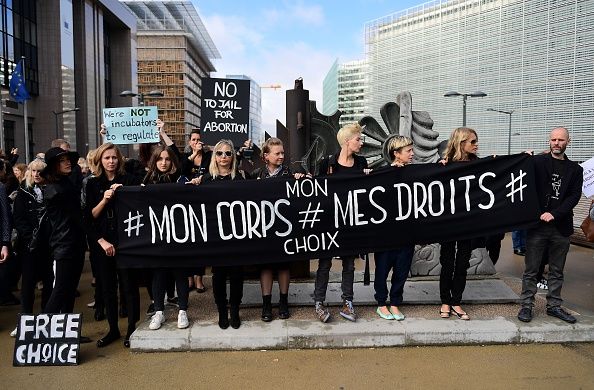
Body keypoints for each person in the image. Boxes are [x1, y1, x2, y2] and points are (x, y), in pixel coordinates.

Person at [518, 127, 583, 324]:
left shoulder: (575, 169)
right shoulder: (537, 162)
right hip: (537, 226)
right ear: (549, 141)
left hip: (561, 227)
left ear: (568, 142)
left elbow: (574, 197)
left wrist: (554, 214)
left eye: (560, 140)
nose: (556, 143)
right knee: (531, 270)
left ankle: (554, 306)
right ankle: (526, 306)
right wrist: (523, 157)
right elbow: (517, 173)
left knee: (557, 270)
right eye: (553, 139)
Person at [85, 143, 140, 347]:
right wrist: (104, 199)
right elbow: (90, 216)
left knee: (129, 286)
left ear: (119, 160)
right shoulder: (92, 184)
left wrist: (125, 191)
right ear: (100, 160)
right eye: (107, 158)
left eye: (114, 158)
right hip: (103, 242)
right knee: (107, 287)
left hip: (125, 242)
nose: (111, 161)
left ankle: (131, 329)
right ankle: (113, 329)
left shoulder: (128, 180)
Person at [314, 122, 371, 323]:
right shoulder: (327, 163)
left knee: (349, 264)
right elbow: (316, 190)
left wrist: (368, 178)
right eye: (358, 139)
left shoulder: (362, 163)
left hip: (351, 222)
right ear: (347, 141)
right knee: (325, 263)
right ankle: (319, 302)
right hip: (330, 222)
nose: (361, 143)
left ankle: (348, 302)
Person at [251, 138, 305, 322]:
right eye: (277, 153)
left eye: (283, 153)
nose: (282, 156)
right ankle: (266, 304)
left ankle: (283, 302)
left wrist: (302, 179)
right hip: (264, 227)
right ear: (266, 156)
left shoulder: (291, 173)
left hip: (284, 227)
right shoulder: (256, 174)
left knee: (283, 265)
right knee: (265, 265)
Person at [198, 139, 246, 329]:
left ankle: (234, 310)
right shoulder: (206, 180)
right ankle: (221, 311)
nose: (224, 157)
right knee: (218, 276)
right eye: (220, 153)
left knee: (236, 275)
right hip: (216, 237)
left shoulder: (241, 179)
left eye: (228, 153)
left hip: (236, 235)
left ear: (233, 156)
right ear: (214, 157)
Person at [144, 145, 191, 330]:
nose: (163, 163)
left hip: (179, 235)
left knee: (180, 272)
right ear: (154, 161)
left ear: (173, 161)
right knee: (159, 273)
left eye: (167, 159)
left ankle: (183, 311)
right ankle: (158, 311)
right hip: (157, 235)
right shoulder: (148, 180)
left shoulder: (182, 179)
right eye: (160, 159)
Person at [438, 127, 479, 321]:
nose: (476, 145)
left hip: (469, 223)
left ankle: (456, 301)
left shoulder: (479, 164)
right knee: (447, 263)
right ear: (461, 143)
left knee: (462, 264)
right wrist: (439, 168)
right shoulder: (445, 165)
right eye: (472, 141)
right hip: (448, 223)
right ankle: (445, 301)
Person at [373, 136, 415, 321]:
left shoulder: (415, 173)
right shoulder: (382, 173)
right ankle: (382, 304)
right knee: (382, 271)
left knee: (402, 270)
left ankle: (395, 303)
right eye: (408, 151)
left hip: (406, 233)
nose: (412, 154)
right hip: (384, 235)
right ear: (396, 154)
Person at [11, 159, 54, 336]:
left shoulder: (51, 190)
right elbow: (18, 219)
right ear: (29, 172)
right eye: (34, 170)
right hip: (28, 246)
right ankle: (25, 320)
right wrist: (31, 237)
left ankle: (46, 318)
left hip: (49, 245)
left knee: (48, 281)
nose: (37, 174)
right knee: (28, 284)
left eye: (40, 171)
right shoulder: (22, 192)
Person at [41, 147, 85, 315]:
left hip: (74, 243)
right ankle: (42, 332)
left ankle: (68, 332)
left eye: (68, 159)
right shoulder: (56, 189)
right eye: (62, 160)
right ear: (54, 165)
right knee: (60, 289)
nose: (68, 162)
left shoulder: (65, 183)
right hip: (65, 245)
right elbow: (77, 217)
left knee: (69, 289)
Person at [182, 128, 211, 293]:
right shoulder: (186, 158)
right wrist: (193, 155)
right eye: (193, 139)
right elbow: (182, 170)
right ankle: (189, 278)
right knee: (188, 242)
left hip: (203, 203)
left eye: (199, 139)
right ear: (190, 142)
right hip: (186, 204)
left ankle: (199, 278)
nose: (196, 142)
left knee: (200, 241)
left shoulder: (208, 157)